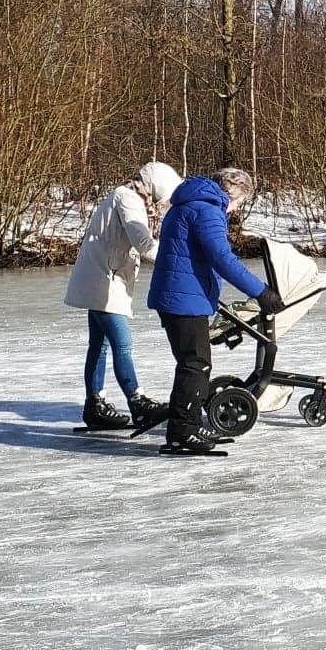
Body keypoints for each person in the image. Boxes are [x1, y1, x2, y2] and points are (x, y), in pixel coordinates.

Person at [147, 167, 284, 455]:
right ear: (233, 194)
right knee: (195, 364)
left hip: (179, 295)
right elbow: (222, 258)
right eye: (240, 202)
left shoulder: (188, 203)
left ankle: (188, 425)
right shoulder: (207, 210)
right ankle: (182, 433)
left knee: (193, 363)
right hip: (184, 300)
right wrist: (260, 292)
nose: (237, 209)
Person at [65, 161, 181, 430]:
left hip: (105, 276)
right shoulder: (128, 199)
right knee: (122, 344)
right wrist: (177, 261)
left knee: (99, 345)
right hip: (105, 281)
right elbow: (143, 244)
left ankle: (95, 405)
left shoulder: (126, 196)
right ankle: (138, 402)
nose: (162, 204)